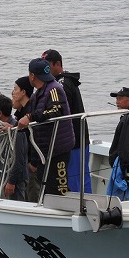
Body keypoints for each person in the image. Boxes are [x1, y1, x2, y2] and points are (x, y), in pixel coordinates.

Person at [17, 58, 75, 197]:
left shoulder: (54, 89)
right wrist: (12, 125)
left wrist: (31, 117)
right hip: (44, 150)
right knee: (46, 187)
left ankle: (64, 215)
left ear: (32, 75)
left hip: (58, 149)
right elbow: (26, 113)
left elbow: (56, 110)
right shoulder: (38, 93)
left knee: (59, 189)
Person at [41, 49, 92, 193]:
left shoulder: (61, 84)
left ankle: (79, 207)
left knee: (74, 177)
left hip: (73, 139)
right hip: (80, 137)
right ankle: (85, 202)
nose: (44, 70)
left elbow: (60, 110)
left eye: (47, 66)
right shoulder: (65, 81)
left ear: (57, 64)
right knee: (82, 176)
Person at [0, 94, 28, 200]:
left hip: (16, 181)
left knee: (18, 209)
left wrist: (11, 182)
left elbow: (18, 159)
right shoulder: (3, 129)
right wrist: (2, 179)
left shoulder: (16, 130)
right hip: (6, 177)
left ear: (0, 113)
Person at [11, 76, 38, 202]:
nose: (13, 92)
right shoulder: (22, 113)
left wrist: (33, 161)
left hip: (32, 161)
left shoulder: (30, 112)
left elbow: (35, 136)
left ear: (23, 92)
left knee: (33, 194)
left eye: (15, 89)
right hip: (27, 160)